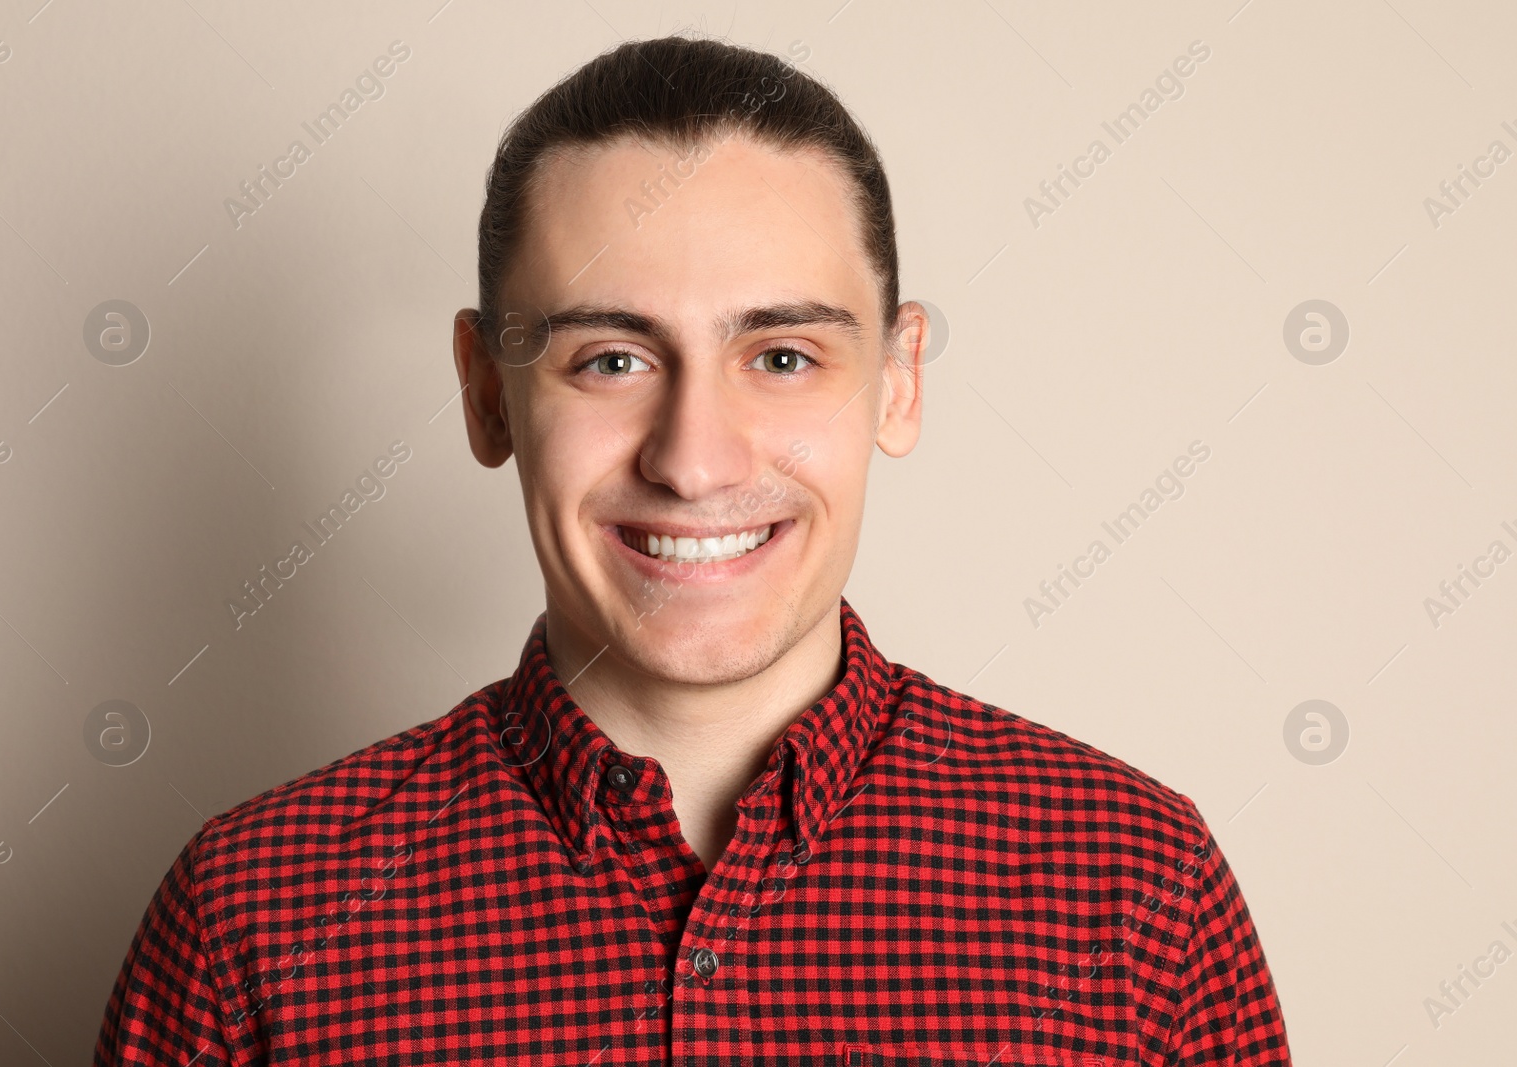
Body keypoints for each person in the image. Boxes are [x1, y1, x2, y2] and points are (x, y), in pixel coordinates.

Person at [95, 35, 1291, 1066]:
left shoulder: (1137, 890)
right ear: (487, 396)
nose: (696, 458)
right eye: (611, 358)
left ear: (898, 378)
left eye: (780, 355)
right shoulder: (252, 917)